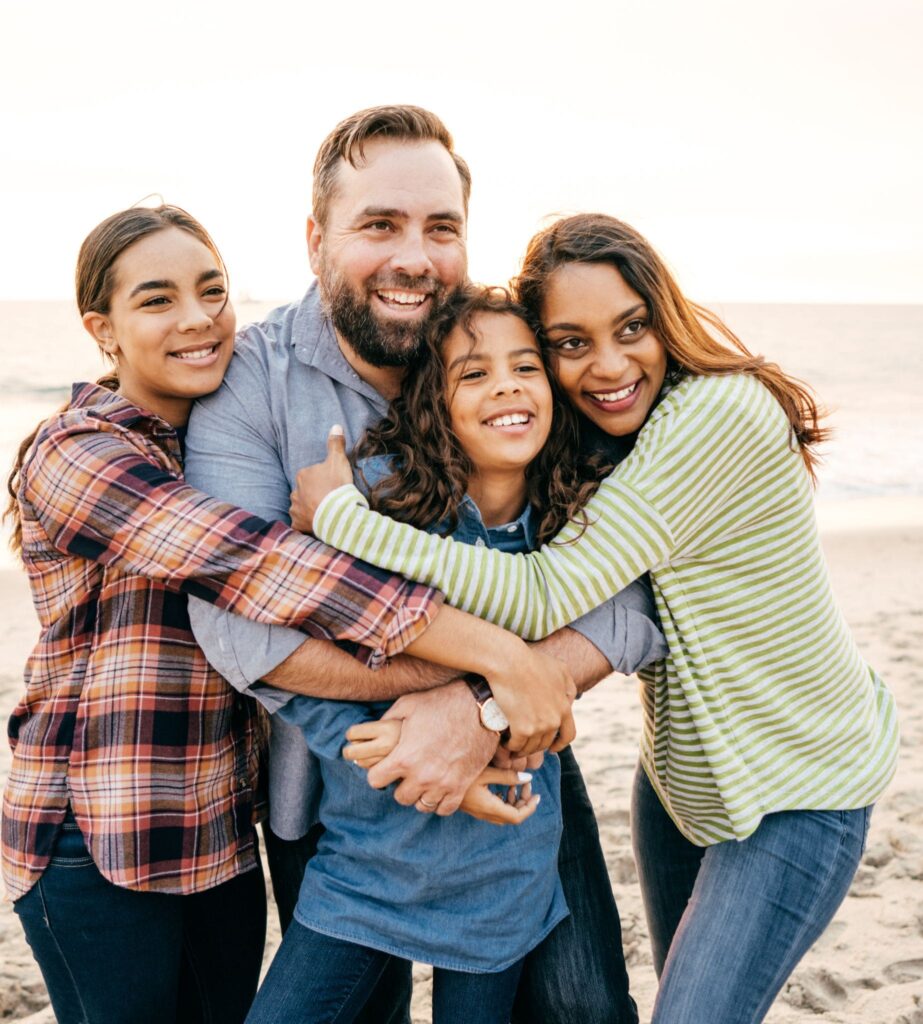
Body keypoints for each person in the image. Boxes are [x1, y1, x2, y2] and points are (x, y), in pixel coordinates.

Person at [295, 212, 900, 1024]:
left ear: (665, 317)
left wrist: (342, 517)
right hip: (683, 786)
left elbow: (545, 594)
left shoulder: (713, 416)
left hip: (799, 786)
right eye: (571, 345)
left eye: (632, 328)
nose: (609, 365)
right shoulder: (615, 435)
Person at [1, 204, 575, 1024]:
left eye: (212, 290)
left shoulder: (211, 431)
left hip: (220, 829)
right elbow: (260, 566)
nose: (199, 319)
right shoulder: (77, 453)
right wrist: (501, 656)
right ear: (104, 329)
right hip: (98, 835)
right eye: (157, 300)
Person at [187, 107, 652, 1023]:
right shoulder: (255, 380)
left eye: (441, 228)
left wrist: (481, 707)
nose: (415, 255)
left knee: (584, 1010)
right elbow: (236, 620)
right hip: (335, 795)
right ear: (317, 237)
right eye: (380, 225)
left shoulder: (509, 352)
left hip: (517, 775)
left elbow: (627, 590)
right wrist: (492, 661)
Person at [248, 284, 655, 1023]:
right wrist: (382, 750)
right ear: (432, 401)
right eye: (472, 373)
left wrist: (487, 731)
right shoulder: (373, 505)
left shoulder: (577, 531)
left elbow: (609, 637)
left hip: (506, 862)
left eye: (525, 366)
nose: (504, 383)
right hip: (368, 864)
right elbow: (296, 661)